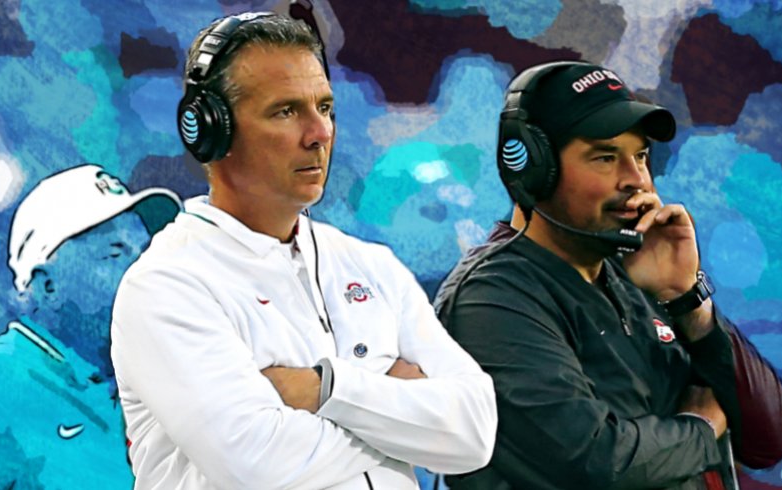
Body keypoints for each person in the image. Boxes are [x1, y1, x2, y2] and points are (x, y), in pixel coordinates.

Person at [110, 12, 496, 489]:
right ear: (209, 129)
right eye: (286, 111)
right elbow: (258, 464)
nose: (320, 133)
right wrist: (406, 417)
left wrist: (326, 390)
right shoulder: (166, 285)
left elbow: (475, 433)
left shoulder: (370, 265)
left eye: (326, 107)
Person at [434, 61, 782, 489]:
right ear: (533, 168)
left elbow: (767, 440)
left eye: (640, 156)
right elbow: (595, 462)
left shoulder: (634, 276)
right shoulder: (490, 297)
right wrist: (700, 428)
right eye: (605, 157)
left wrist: (688, 300)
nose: (637, 180)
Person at [0, 164, 180, 488]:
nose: (146, 268)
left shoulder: (162, 381)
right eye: (115, 253)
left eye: (145, 250)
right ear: (47, 285)